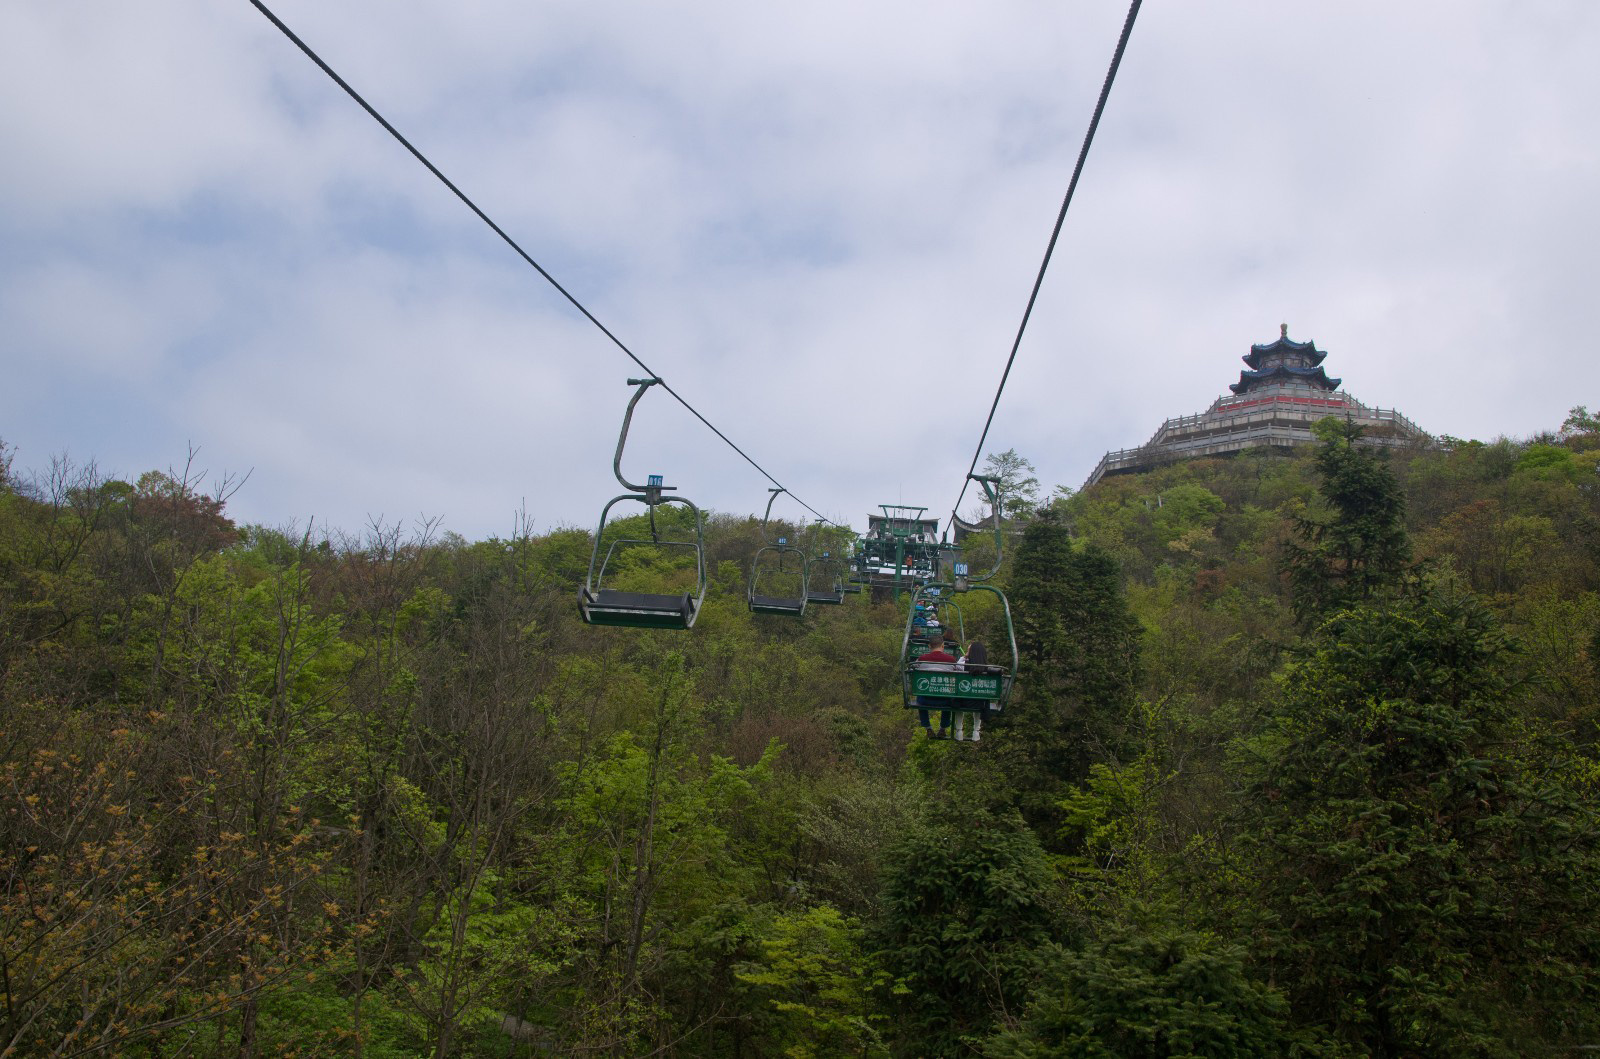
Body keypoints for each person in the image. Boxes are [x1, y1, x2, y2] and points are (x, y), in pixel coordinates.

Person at [912, 626, 958, 737]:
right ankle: (943, 729)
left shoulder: (922, 659)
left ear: (929, 646)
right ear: (943, 646)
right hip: (945, 700)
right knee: (949, 694)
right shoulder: (951, 660)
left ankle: (928, 728)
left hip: (925, 700)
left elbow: (912, 669)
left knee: (920, 695)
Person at [953, 640, 989, 742]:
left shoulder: (963, 665)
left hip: (963, 701)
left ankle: (959, 730)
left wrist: (966, 656)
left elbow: (956, 665)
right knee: (980, 698)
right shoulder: (987, 669)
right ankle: (976, 731)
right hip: (980, 702)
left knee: (958, 698)